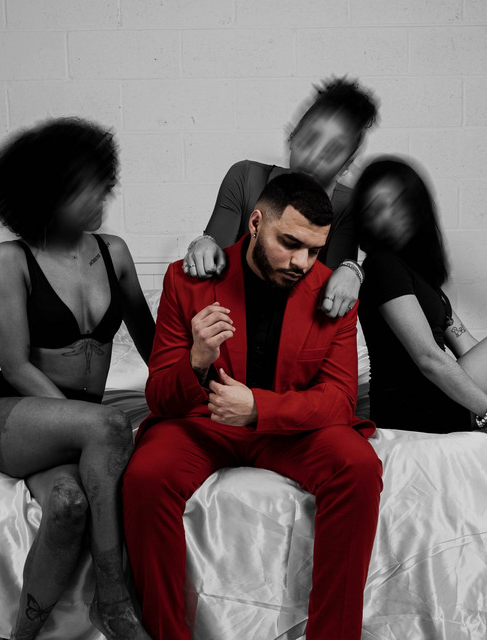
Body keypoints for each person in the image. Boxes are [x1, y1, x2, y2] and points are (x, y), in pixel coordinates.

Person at [123, 172, 383, 640]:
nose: (302, 262)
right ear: (257, 223)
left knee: (359, 465)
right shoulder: (186, 279)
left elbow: (340, 400)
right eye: (290, 243)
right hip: (202, 425)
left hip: (289, 430)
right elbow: (159, 397)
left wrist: (258, 408)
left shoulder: (333, 291)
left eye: (315, 250)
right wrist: (197, 360)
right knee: (145, 475)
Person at [0, 118, 154, 640]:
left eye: (99, 183)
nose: (98, 196)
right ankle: (114, 600)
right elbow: (15, 365)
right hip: (12, 414)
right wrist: (83, 423)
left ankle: (19, 638)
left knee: (68, 506)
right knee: (108, 426)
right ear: (47, 194)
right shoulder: (10, 259)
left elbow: (154, 345)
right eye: (81, 188)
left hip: (78, 429)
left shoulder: (114, 252)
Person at [183, 76, 378, 318]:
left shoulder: (346, 206)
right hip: (229, 320)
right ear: (292, 136)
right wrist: (203, 244)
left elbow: (331, 295)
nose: (314, 157)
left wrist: (353, 270)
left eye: (331, 152)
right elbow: (214, 269)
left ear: (346, 165)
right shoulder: (244, 177)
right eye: (309, 140)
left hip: (298, 328)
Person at [356, 156, 487, 450]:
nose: (391, 215)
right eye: (377, 208)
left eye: (399, 203)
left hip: (437, 398)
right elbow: (428, 359)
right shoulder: (382, 266)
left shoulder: (425, 282)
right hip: (414, 407)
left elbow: (469, 348)